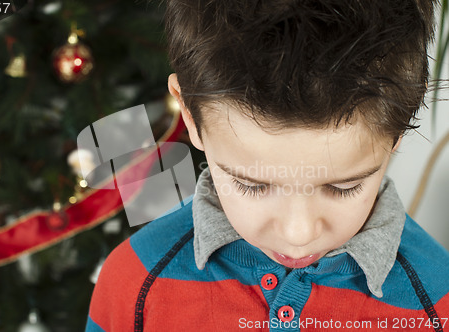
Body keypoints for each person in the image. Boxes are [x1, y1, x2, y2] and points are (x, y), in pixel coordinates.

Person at [85, 0, 449, 331]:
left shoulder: (438, 302)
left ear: (400, 127)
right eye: (253, 185)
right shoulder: (134, 284)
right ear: (190, 117)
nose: (298, 233)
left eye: (342, 187)